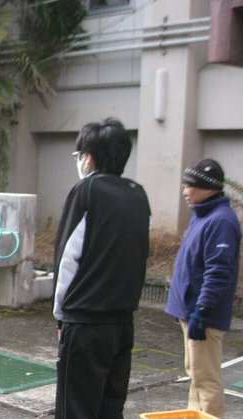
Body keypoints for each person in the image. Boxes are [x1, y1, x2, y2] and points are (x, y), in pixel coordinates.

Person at [52, 118, 151, 418]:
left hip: (84, 323)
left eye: (79, 155)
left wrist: (60, 316)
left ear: (89, 157)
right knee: (110, 408)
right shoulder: (138, 195)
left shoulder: (86, 191)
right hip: (122, 323)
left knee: (76, 409)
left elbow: (68, 258)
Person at [165, 159, 241, 417]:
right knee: (196, 376)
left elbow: (218, 271)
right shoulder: (203, 215)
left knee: (206, 380)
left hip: (203, 316)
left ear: (207, 187)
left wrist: (202, 309)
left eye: (190, 185)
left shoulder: (220, 221)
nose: (185, 191)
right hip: (191, 312)